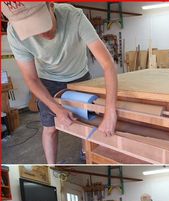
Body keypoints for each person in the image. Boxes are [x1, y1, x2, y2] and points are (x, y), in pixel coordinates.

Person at [2, 2, 117, 164]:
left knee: (86, 125)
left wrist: (110, 111)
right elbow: (31, 79)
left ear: (51, 5)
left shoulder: (74, 16)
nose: (43, 34)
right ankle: (51, 166)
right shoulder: (14, 32)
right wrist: (57, 109)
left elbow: (107, 64)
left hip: (80, 77)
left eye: (44, 24)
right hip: (47, 81)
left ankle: (86, 154)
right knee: (50, 128)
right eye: (33, 30)